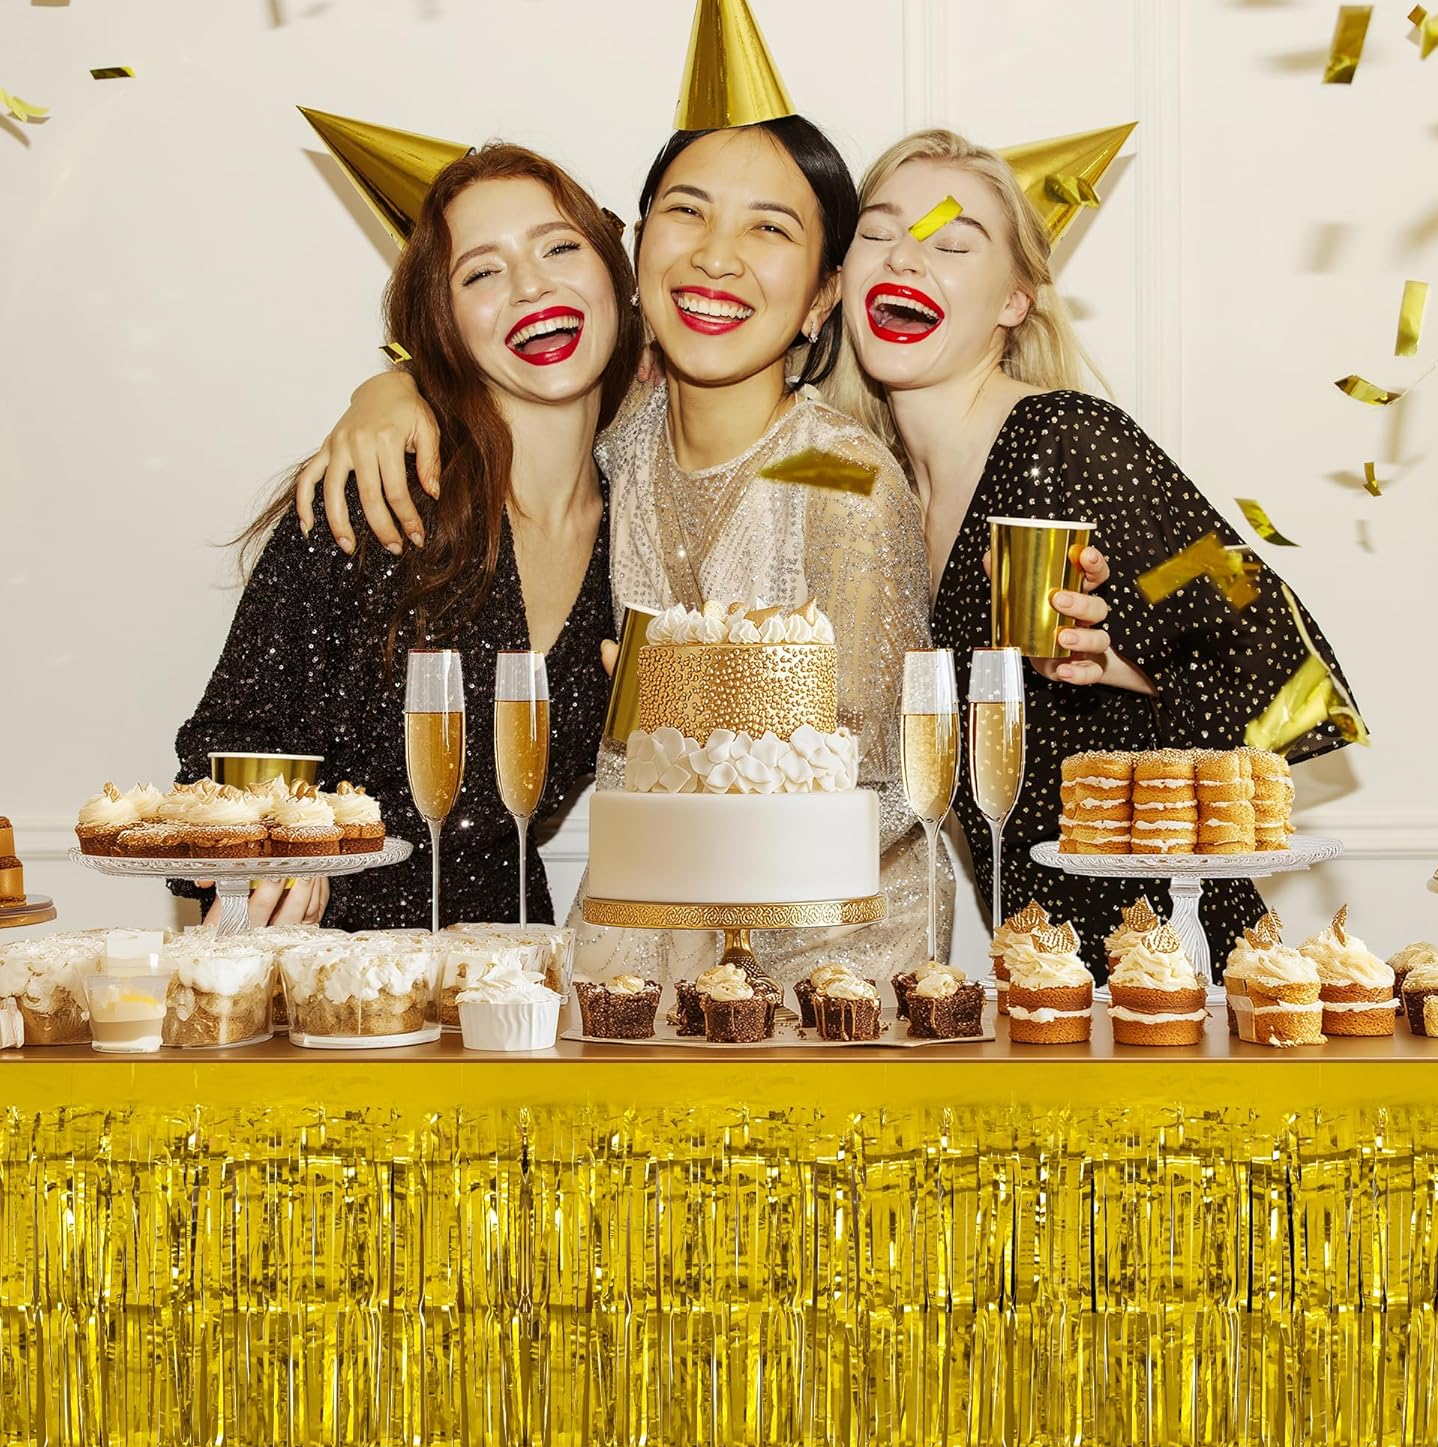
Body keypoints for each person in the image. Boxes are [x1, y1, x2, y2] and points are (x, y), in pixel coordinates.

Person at [295, 116, 949, 985]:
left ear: (822, 297)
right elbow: (501, 377)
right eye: (688, 212)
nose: (716, 255)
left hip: (824, 965)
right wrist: (391, 387)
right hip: (634, 941)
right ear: (636, 256)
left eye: (768, 227)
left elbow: (886, 778)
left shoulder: (842, 477)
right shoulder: (618, 449)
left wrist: (688, 692)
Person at [829, 128, 1358, 977]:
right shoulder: (874, 486)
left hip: (1171, 962)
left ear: (1014, 301)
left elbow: (1295, 681)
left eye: (952, 243)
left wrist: (1127, 666)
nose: (905, 256)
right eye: (878, 231)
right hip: (1038, 969)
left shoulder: (1067, 443)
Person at [174, 142, 641, 930]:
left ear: (615, 277)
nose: (530, 284)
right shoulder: (379, 497)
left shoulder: (640, 533)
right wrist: (274, 853)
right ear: (445, 327)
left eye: (559, 247)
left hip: (512, 978)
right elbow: (226, 748)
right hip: (334, 976)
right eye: (481, 272)